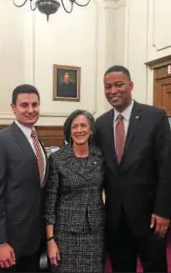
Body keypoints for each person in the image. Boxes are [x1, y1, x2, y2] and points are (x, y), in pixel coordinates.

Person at [94, 65, 171, 272]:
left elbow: (166, 168)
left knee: (155, 266)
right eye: (108, 87)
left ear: (131, 85)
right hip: (115, 218)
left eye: (119, 85)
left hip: (150, 216)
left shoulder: (155, 117)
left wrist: (163, 211)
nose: (113, 91)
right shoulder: (101, 124)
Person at [0, 84, 48, 273]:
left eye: (35, 105)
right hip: (8, 245)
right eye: (24, 105)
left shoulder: (37, 141)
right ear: (13, 108)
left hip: (32, 242)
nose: (30, 110)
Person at [45, 110, 105, 273]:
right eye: (75, 126)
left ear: (91, 130)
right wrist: (50, 239)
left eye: (84, 125)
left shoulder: (99, 157)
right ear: (69, 132)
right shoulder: (57, 159)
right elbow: (50, 202)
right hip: (66, 233)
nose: (80, 130)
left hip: (95, 232)